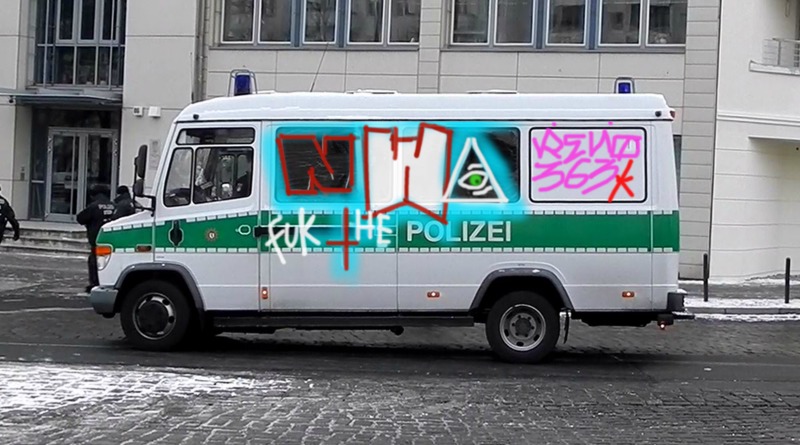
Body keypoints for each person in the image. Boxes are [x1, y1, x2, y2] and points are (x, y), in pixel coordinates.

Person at [76, 185, 115, 293]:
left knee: (94, 262)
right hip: (111, 239)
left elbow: (80, 218)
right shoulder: (113, 206)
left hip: (97, 239)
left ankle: (95, 284)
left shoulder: (93, 206)